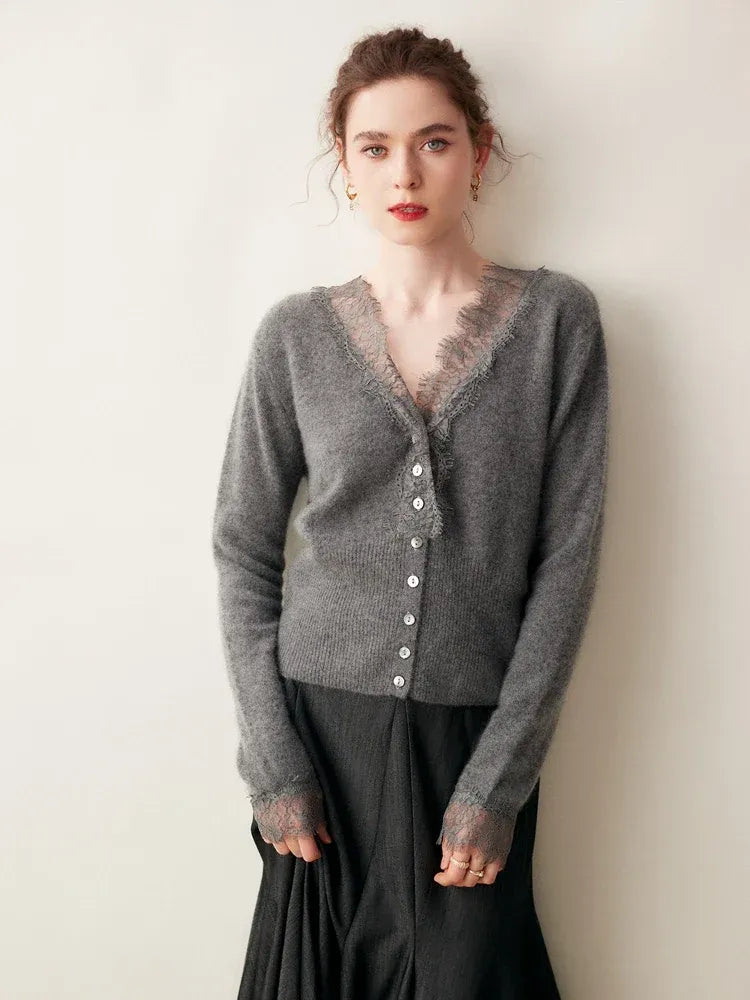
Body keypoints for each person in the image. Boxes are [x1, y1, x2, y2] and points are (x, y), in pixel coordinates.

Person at [211, 25, 610, 1000]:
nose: (405, 172)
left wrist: (498, 779)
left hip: (471, 740)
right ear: (344, 164)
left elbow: (566, 562)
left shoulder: (557, 325)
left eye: (434, 140)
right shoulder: (295, 337)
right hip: (321, 741)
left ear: (479, 150)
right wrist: (273, 762)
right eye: (375, 146)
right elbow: (243, 549)